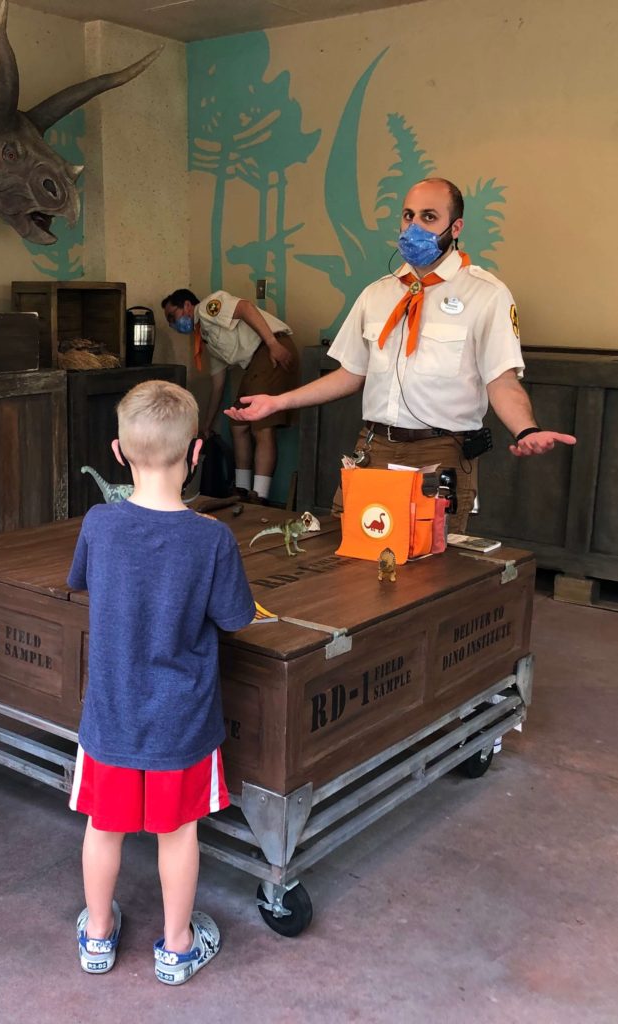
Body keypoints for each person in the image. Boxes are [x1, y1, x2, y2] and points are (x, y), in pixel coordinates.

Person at [225, 177, 576, 531]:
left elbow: (500, 380)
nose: (414, 227)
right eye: (408, 216)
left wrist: (525, 430)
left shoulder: (486, 295)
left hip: (439, 453)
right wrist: (277, 403)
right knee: (350, 558)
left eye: (428, 217)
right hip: (373, 449)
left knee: (428, 570)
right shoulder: (376, 294)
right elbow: (351, 373)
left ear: (455, 227)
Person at [67, 380, 255, 985]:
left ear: (118, 452)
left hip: (112, 715)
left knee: (104, 825)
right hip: (182, 719)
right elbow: (236, 618)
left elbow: (81, 581)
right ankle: (176, 947)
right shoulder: (213, 539)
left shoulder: (99, 523)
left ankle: (98, 936)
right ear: (198, 454)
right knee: (178, 833)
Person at [162, 287, 300, 503]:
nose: (173, 324)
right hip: (254, 364)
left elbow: (245, 308)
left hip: (268, 350)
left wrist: (273, 343)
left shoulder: (209, 308)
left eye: (173, 316)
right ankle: (242, 490)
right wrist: (206, 426)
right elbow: (218, 384)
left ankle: (260, 496)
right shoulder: (206, 337)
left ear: (188, 305)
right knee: (237, 423)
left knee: (262, 425)